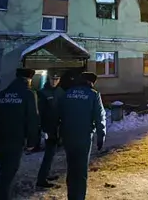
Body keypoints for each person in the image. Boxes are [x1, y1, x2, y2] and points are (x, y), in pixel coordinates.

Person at [0, 68, 40, 200]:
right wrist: (32, 141)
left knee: (5, 173)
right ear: (29, 79)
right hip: (15, 140)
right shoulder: (29, 94)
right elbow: (32, 119)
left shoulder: (2, 94)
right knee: (9, 175)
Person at [59, 71, 106, 200]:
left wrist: (58, 133)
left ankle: (71, 196)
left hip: (68, 136)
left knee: (71, 168)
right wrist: (101, 136)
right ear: (91, 82)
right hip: (84, 137)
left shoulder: (67, 93)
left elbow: (58, 114)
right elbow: (99, 117)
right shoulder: (93, 94)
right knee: (81, 171)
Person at [36, 72, 65, 189]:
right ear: (48, 79)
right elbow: (40, 113)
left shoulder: (60, 92)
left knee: (52, 153)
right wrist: (42, 128)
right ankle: (41, 179)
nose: (54, 81)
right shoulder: (43, 93)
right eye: (52, 79)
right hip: (48, 128)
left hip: (58, 127)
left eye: (57, 79)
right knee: (49, 153)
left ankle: (46, 174)